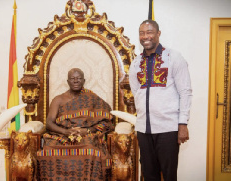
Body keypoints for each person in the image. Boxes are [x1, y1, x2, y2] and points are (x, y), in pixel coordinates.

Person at [129, 20, 192, 181]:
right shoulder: (136, 63)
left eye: (149, 32)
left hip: (168, 129)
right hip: (144, 130)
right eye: (142, 33)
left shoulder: (173, 57)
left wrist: (182, 124)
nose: (145, 36)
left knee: (169, 175)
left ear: (158, 33)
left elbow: (185, 92)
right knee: (149, 175)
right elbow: (136, 93)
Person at [37, 68, 114, 180]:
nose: (76, 81)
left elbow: (106, 119)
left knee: (91, 150)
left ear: (84, 80)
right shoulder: (58, 99)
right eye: (72, 78)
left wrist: (87, 131)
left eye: (79, 78)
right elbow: (49, 123)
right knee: (48, 150)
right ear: (68, 81)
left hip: (85, 135)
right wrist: (66, 132)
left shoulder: (92, 98)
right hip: (61, 135)